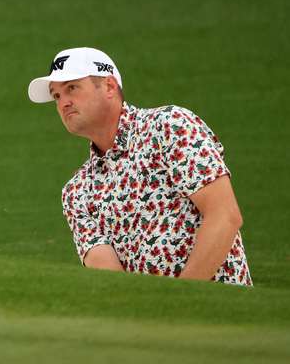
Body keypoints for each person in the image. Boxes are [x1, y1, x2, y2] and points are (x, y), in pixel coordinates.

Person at [27, 47, 252, 286]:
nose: (63, 103)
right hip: (152, 320)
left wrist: (182, 300)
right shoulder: (77, 192)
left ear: (110, 87)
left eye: (72, 88)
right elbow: (112, 280)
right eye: (57, 96)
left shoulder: (169, 127)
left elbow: (225, 215)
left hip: (221, 314)